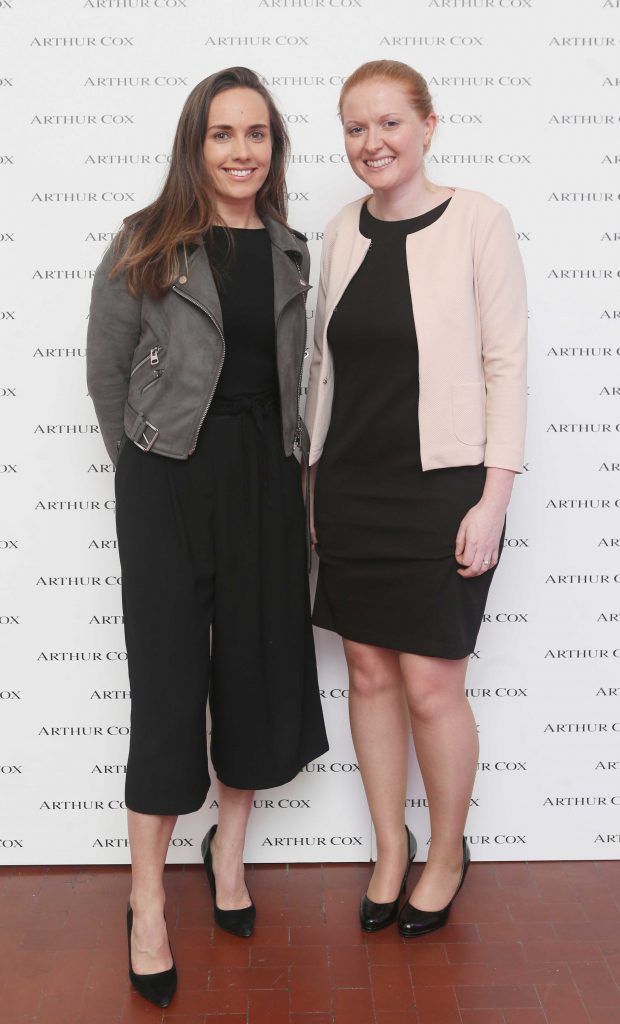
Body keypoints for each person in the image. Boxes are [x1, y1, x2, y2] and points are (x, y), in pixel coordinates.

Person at [86, 66, 328, 1007]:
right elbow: (107, 374)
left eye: (256, 135)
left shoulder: (292, 250)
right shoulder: (146, 242)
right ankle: (147, 898)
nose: (240, 151)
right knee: (170, 681)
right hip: (169, 480)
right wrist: (146, 466)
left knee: (259, 671)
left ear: (273, 149)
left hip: (267, 474)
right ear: (196, 144)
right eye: (223, 134)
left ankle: (231, 852)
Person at [304, 60, 527, 937]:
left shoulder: (480, 221)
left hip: (445, 489)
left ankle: (444, 851)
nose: (372, 143)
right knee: (367, 673)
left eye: (390, 123)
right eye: (355, 128)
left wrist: (494, 499)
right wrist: (313, 487)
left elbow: (505, 364)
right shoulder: (338, 230)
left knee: (433, 685)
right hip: (353, 486)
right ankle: (388, 850)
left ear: (429, 125)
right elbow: (325, 372)